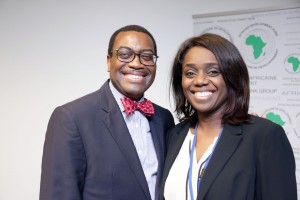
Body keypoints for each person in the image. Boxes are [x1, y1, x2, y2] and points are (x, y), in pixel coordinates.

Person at [40, 25, 175, 200]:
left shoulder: (164, 119)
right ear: (109, 61)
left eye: (147, 56)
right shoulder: (71, 118)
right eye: (125, 54)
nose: (136, 63)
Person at [159, 33, 297, 200]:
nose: (200, 80)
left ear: (232, 77)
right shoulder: (174, 135)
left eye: (213, 71)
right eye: (190, 73)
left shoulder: (265, 136)